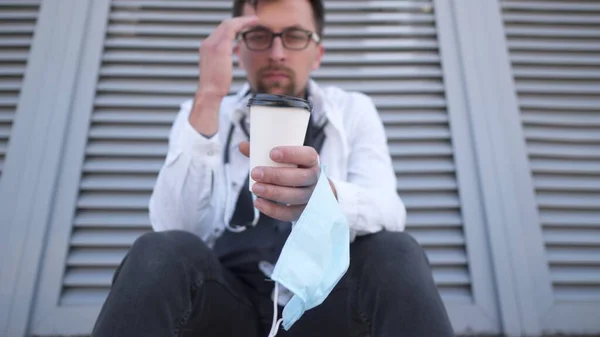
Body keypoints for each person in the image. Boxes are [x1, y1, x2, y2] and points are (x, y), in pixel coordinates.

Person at [91, 0, 455, 336]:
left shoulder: (353, 111)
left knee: (396, 251)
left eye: (295, 36)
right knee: (158, 251)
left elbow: (390, 211)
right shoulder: (203, 111)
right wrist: (208, 96)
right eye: (260, 36)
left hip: (324, 306)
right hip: (228, 306)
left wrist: (322, 195)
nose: (277, 53)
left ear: (318, 53)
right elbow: (173, 230)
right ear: (238, 48)